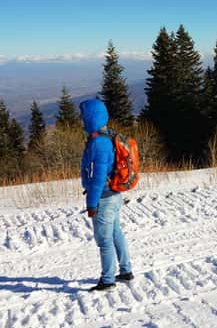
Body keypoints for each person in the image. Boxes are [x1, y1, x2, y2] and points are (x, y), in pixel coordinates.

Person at [80, 98, 133, 291]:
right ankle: (126, 271)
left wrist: (92, 204)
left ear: (90, 117)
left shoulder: (99, 143)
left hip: (104, 197)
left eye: (83, 116)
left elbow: (98, 177)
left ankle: (108, 279)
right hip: (114, 195)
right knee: (116, 232)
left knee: (104, 241)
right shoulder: (107, 135)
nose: (81, 119)